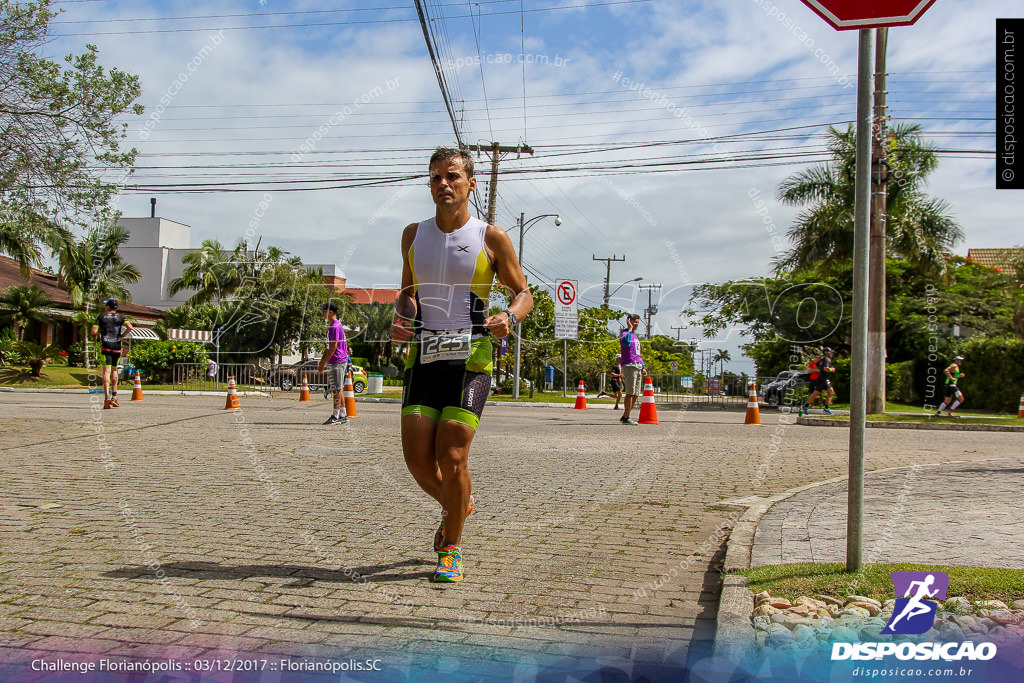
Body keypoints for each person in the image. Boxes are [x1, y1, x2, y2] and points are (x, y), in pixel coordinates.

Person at [392, 147, 533, 583]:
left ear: (472, 184)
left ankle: (451, 547)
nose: (443, 184)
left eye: (452, 176)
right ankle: (458, 505)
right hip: (424, 356)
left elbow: (523, 293)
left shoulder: (491, 237)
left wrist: (508, 317)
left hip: (472, 356)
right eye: (435, 177)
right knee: (418, 462)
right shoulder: (413, 234)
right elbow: (407, 290)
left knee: (451, 457)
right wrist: (402, 315)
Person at [91, 298, 133, 409]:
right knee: (114, 370)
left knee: (106, 371)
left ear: (108, 307)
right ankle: (115, 397)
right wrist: (122, 335)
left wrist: (99, 332)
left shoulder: (101, 317)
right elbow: (130, 327)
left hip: (106, 347)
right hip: (117, 346)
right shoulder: (121, 317)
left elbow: (94, 331)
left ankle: (107, 397)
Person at [317, 302, 349, 425]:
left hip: (337, 360)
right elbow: (328, 346)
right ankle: (343, 414)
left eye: (324, 311)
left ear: (331, 312)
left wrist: (324, 362)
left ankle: (336, 415)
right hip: (337, 360)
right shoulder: (334, 326)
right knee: (338, 388)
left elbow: (334, 346)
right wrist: (322, 360)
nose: (322, 313)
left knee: (336, 389)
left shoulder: (334, 326)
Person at [619, 313, 646, 425]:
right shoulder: (625, 333)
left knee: (636, 393)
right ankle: (627, 416)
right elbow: (626, 343)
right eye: (634, 322)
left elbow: (637, 353)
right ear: (629, 321)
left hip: (637, 365)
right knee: (630, 393)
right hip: (630, 365)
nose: (636, 324)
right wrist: (629, 329)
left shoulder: (635, 335)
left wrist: (643, 366)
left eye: (637, 323)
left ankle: (626, 415)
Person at [804, 347, 836, 415]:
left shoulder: (822, 360)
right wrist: (832, 369)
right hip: (823, 379)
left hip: (822, 378)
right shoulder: (827, 360)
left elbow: (816, 365)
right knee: (819, 393)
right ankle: (805, 406)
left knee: (828, 392)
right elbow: (825, 368)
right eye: (830, 352)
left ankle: (826, 408)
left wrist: (819, 370)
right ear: (827, 353)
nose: (831, 354)